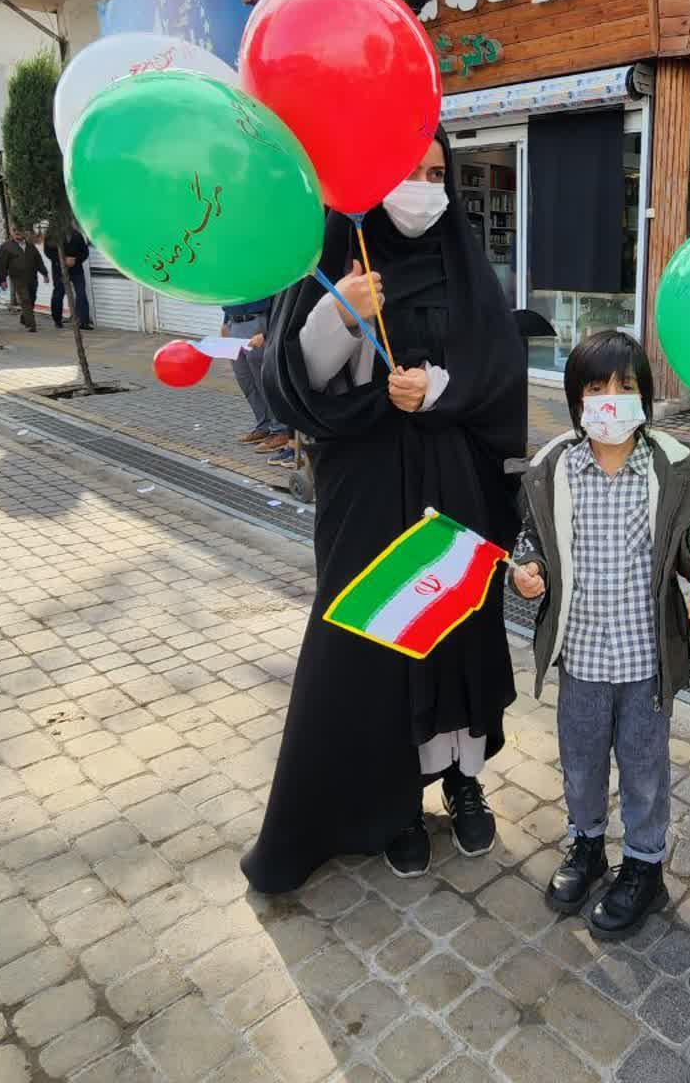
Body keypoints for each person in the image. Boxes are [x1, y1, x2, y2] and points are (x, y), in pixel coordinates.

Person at [242, 130, 528, 891]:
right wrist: (339, 312)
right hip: (364, 491)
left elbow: (500, 372)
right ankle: (392, 801)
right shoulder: (333, 257)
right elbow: (291, 388)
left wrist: (443, 392)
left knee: (454, 634)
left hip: (454, 487)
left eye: (438, 173)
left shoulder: (465, 267)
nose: (424, 187)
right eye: (409, 171)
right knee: (375, 641)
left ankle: (461, 780)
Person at [510, 331, 690, 938]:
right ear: (577, 398)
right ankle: (586, 847)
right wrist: (527, 573)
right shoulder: (554, 466)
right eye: (597, 387)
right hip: (579, 656)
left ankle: (645, 866)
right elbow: (533, 542)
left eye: (625, 387)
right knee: (580, 765)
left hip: (645, 660)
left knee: (645, 768)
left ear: (645, 395)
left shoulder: (674, 464)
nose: (611, 399)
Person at [223, 294, 288, 453]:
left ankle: (281, 430)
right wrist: (225, 322)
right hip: (234, 322)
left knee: (264, 380)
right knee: (246, 380)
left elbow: (278, 296)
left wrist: (268, 331)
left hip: (258, 321)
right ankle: (263, 426)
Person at [0, 227, 49, 332]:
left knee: (32, 298)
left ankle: (24, 318)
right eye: (15, 231)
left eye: (20, 231)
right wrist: (2, 280)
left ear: (24, 233)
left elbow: (38, 260)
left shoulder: (30, 246)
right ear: (12, 233)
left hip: (32, 277)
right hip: (17, 278)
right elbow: (2, 265)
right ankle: (31, 325)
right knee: (25, 299)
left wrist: (45, 274)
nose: (17, 233)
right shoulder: (6, 247)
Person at [46, 226, 93, 330]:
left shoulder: (77, 234)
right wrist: (62, 260)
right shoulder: (53, 234)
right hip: (60, 270)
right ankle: (57, 320)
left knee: (81, 294)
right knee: (59, 294)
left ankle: (83, 321)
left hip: (76, 269)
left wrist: (76, 260)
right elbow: (48, 252)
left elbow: (85, 252)